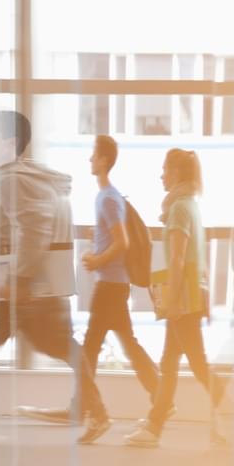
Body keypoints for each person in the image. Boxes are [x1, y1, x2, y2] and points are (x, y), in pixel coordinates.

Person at [0, 110, 110, 445]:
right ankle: (97, 412)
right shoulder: (25, 176)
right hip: (35, 286)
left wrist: (19, 280)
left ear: (9, 144)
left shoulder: (12, 179)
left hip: (21, 288)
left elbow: (34, 228)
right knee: (58, 347)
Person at [125, 149, 224, 448]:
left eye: (165, 169)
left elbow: (179, 259)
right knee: (170, 362)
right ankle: (155, 425)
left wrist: (171, 302)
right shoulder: (190, 205)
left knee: (197, 364)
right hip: (191, 295)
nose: (161, 175)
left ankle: (232, 413)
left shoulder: (180, 208)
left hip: (182, 299)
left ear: (178, 173)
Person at [80, 135, 160, 411]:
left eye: (93, 155)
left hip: (110, 286)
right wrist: (98, 239)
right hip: (115, 284)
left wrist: (97, 260)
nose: (90, 159)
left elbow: (123, 242)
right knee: (127, 343)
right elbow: (114, 235)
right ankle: (160, 395)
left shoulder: (109, 199)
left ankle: (86, 408)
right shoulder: (108, 197)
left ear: (103, 160)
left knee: (90, 347)